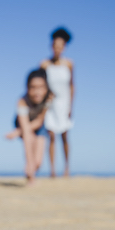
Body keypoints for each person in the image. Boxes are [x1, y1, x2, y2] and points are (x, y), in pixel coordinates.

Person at [6, 69, 53, 185]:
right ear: (27, 88)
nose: (37, 92)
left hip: (40, 126)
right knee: (31, 157)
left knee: (38, 162)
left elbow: (40, 120)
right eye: (33, 87)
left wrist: (17, 132)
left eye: (41, 87)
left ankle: (31, 172)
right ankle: (31, 178)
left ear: (46, 87)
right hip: (23, 124)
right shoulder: (22, 102)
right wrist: (29, 161)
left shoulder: (49, 97)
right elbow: (26, 131)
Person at [40, 27, 74, 177]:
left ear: (64, 47)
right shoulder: (44, 64)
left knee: (65, 135)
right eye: (55, 46)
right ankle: (52, 170)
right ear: (51, 46)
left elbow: (72, 85)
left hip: (64, 102)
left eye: (60, 46)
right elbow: (38, 83)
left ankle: (66, 167)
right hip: (50, 103)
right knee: (51, 136)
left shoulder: (69, 64)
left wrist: (71, 106)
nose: (57, 49)